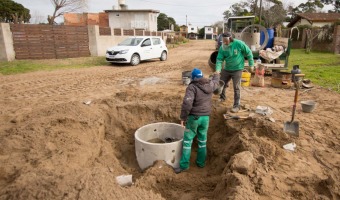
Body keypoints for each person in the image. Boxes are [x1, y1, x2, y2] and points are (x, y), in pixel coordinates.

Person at [175, 68, 220, 173]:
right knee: (202, 141)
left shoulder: (192, 87)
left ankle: (184, 166)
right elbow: (216, 82)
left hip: (194, 118)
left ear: (193, 78)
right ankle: (201, 163)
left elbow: (187, 104)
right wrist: (217, 74)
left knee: (187, 141)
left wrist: (183, 118)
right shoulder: (210, 84)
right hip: (205, 118)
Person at [215, 32, 254, 113]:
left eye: (226, 40)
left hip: (237, 69)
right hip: (227, 68)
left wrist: (251, 64)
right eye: (223, 40)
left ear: (230, 38)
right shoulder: (223, 47)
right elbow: (219, 59)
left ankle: (236, 105)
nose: (225, 42)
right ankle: (222, 97)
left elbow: (249, 52)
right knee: (222, 83)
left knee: (236, 87)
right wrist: (218, 70)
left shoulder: (238, 44)